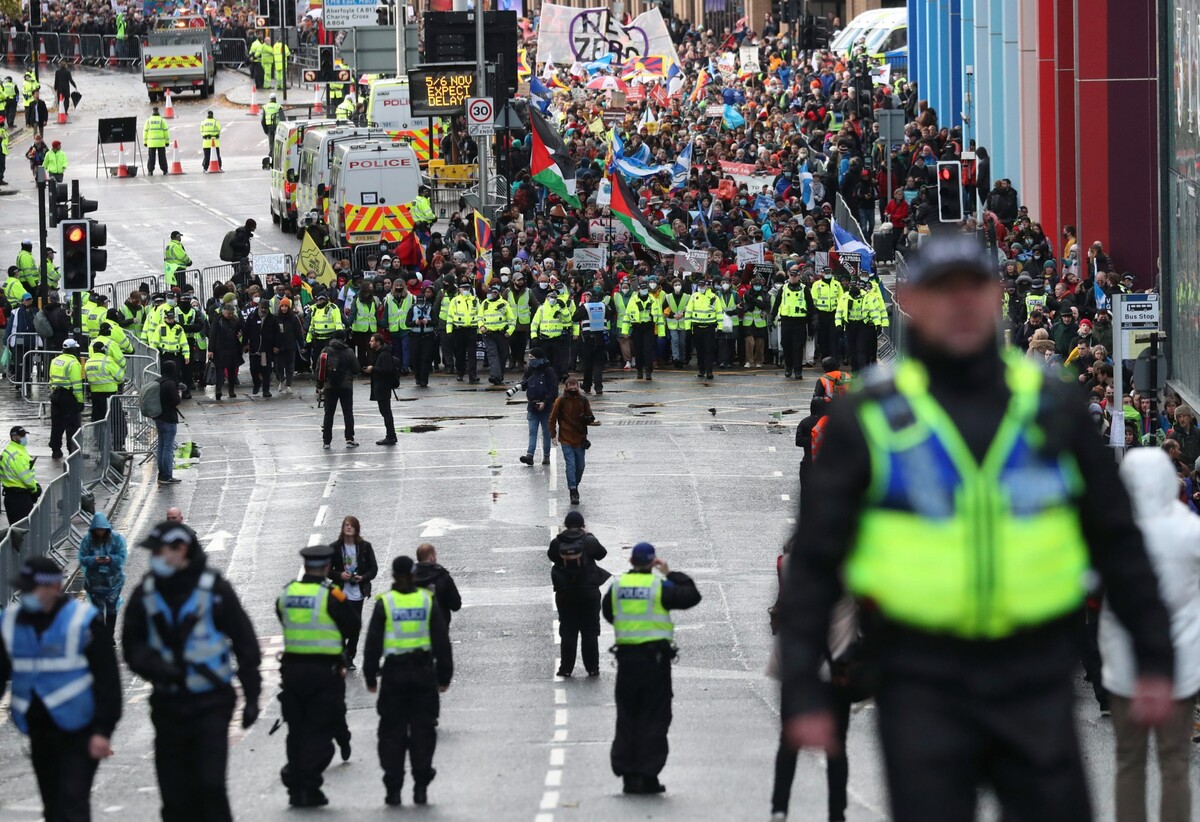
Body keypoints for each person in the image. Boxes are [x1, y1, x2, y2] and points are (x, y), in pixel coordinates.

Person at [780, 236, 1175, 821]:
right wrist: (802, 685)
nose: (960, 305)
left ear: (997, 298)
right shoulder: (870, 416)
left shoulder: (1051, 406)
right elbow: (814, 559)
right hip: (919, 678)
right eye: (943, 292)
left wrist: (1154, 658)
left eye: (975, 289)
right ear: (910, 299)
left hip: (1036, 674)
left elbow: (1116, 539)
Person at [122, 521, 262, 822]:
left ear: (180, 549)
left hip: (211, 703)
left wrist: (252, 696)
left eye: (159, 551)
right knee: (174, 797)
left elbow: (245, 642)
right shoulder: (145, 593)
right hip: (168, 706)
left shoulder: (214, 589)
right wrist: (159, 670)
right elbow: (131, 647)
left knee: (210, 787)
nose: (154, 558)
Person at [1099, 449, 1200, 822]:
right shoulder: (1191, 530)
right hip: (1180, 664)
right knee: (1174, 763)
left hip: (1125, 666)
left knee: (1129, 762)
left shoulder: (1112, 530)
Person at [0, 556, 121, 822]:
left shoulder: (83, 620)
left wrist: (103, 731)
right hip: (38, 730)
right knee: (53, 806)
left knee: (72, 802)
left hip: (79, 730)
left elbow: (108, 681)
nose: (26, 595)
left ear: (54, 587)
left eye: (33, 589)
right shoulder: (10, 623)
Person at [602, 542, 701, 794]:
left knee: (628, 717)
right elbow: (691, 595)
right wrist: (669, 573)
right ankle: (647, 775)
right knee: (654, 717)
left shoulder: (617, 588)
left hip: (626, 663)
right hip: (654, 663)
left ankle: (628, 775)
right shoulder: (660, 587)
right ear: (652, 562)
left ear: (631, 562)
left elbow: (609, 614)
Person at [363, 556, 454, 807]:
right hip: (423, 675)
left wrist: (370, 675)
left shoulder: (385, 603)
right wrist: (444, 675)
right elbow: (440, 640)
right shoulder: (426, 600)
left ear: (393, 576)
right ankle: (421, 786)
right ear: (414, 574)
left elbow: (373, 643)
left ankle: (393, 788)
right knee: (423, 731)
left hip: (393, 675)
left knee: (392, 732)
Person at [277, 544, 353, 808]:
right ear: (325, 567)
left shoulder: (287, 593)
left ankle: (298, 788)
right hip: (324, 674)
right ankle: (306, 783)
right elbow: (352, 625)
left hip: (292, 674)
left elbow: (282, 617)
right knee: (321, 733)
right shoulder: (331, 595)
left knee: (296, 732)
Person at [548, 511, 609, 677]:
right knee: (590, 630)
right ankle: (592, 668)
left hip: (565, 593)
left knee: (568, 630)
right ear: (582, 524)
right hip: (588, 592)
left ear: (566, 525)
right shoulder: (588, 540)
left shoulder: (557, 542)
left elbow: (551, 557)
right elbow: (602, 554)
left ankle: (566, 668)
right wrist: (588, 534)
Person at [327, 516, 379, 670]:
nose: (348, 527)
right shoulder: (335, 548)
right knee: (340, 624)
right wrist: (339, 575)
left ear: (357, 529)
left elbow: (373, 568)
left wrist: (362, 577)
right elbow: (328, 571)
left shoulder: (365, 547)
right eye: (346, 525)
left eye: (351, 525)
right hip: (340, 592)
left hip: (358, 592)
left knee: (355, 625)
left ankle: (350, 654)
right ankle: (343, 655)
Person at [77, 511, 128, 643]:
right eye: (98, 530)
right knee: (98, 610)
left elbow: (122, 557)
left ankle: (109, 635)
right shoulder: (87, 540)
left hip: (113, 581)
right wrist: (94, 560)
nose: (100, 533)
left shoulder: (116, 539)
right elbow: (82, 558)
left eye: (102, 530)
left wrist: (110, 559)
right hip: (95, 583)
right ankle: (101, 636)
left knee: (112, 607)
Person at [549, 376, 597, 506]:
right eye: (571, 387)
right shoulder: (561, 401)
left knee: (580, 466)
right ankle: (573, 490)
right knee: (571, 465)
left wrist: (587, 419)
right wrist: (553, 434)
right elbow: (552, 418)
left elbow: (590, 416)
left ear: (578, 387)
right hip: (566, 439)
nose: (573, 390)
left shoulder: (583, 400)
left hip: (580, 439)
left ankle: (574, 484)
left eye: (575, 387)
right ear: (566, 388)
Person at [320, 330, 360, 449]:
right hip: (345, 385)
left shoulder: (326, 350)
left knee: (328, 413)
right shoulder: (349, 351)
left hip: (330, 385)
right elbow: (356, 368)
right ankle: (349, 438)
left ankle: (326, 441)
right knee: (347, 412)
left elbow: (319, 369)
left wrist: (319, 385)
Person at [518, 347, 557, 466]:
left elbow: (553, 390)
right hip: (532, 405)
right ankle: (530, 455)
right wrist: (520, 385)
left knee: (546, 432)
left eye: (532, 358)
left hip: (546, 407)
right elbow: (525, 385)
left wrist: (545, 402)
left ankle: (546, 456)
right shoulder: (529, 370)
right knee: (532, 431)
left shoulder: (549, 371)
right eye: (529, 358)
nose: (530, 361)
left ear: (539, 358)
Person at [771, 267, 811, 379]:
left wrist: (812, 322)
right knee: (786, 346)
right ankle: (788, 367)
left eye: (795, 276)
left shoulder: (804, 289)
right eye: (791, 276)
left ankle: (798, 370)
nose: (793, 278)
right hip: (786, 321)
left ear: (799, 276)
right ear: (789, 276)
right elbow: (777, 304)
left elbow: (811, 306)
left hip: (800, 322)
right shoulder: (783, 289)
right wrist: (771, 317)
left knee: (798, 347)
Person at [49, 338, 84, 460]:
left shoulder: (55, 360)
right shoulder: (74, 364)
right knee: (72, 425)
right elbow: (77, 385)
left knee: (56, 424)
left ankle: (55, 450)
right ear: (74, 349)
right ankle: (72, 450)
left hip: (56, 395)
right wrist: (80, 401)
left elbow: (51, 379)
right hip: (68, 397)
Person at [413, 544, 463, 627]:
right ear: (431, 557)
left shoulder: (408, 579)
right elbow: (456, 604)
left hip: (414, 629)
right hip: (439, 628)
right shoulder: (443, 577)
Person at [478, 283, 515, 385]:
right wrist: (481, 326)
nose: (491, 294)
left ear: (498, 293)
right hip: (488, 334)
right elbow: (480, 317)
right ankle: (495, 376)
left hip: (502, 334)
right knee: (492, 354)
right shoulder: (485, 303)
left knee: (503, 355)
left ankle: (499, 375)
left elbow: (512, 319)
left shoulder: (504, 303)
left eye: (493, 293)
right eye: (489, 292)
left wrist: (509, 331)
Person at [152, 360, 182, 486]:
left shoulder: (157, 382)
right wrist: (179, 392)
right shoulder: (170, 383)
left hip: (158, 417)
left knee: (161, 447)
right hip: (169, 418)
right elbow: (175, 401)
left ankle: (161, 474)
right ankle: (167, 475)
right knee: (168, 448)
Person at [207, 299, 244, 400]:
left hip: (232, 349)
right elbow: (212, 335)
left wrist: (240, 336)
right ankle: (218, 390)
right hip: (220, 349)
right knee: (219, 371)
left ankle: (231, 390)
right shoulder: (218, 320)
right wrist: (210, 350)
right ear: (223, 312)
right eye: (228, 313)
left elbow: (240, 330)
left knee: (232, 372)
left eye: (231, 313)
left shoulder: (235, 320)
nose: (230, 315)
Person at [0, 425, 38, 523]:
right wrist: (35, 489)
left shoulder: (14, 450)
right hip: (19, 498)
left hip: (13, 495)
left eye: (24, 435)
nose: (24, 438)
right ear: (14, 437)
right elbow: (25, 476)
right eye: (22, 436)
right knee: (23, 530)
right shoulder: (16, 454)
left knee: (18, 531)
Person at [445, 279, 480, 384]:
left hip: (472, 329)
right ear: (459, 289)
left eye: (468, 288)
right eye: (464, 288)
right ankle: (460, 373)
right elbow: (450, 316)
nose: (466, 290)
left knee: (472, 354)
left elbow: (479, 315)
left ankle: (472, 376)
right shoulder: (455, 301)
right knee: (460, 354)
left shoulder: (475, 300)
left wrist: (480, 331)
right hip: (459, 330)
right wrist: (449, 331)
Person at [367, 333, 398, 445]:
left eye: (372, 341)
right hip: (381, 386)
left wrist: (373, 369)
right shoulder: (380, 353)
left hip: (383, 387)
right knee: (385, 411)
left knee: (386, 412)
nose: (370, 343)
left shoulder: (384, 354)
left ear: (378, 342)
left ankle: (391, 436)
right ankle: (391, 435)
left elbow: (386, 370)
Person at [406, 288, 437, 388]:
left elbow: (435, 322)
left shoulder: (430, 308)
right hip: (415, 337)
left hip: (428, 337)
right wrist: (415, 323)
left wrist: (427, 322)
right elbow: (407, 323)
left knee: (426, 359)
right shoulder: (412, 309)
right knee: (415, 358)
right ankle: (417, 377)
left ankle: (424, 380)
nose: (420, 304)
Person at [143, 107, 169, 176]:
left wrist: (145, 142)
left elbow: (145, 132)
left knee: (151, 158)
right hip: (161, 143)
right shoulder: (162, 120)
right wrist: (167, 141)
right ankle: (165, 170)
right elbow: (166, 131)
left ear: (152, 112)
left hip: (151, 143)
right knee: (162, 158)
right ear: (158, 112)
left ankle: (150, 171)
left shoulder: (148, 121)